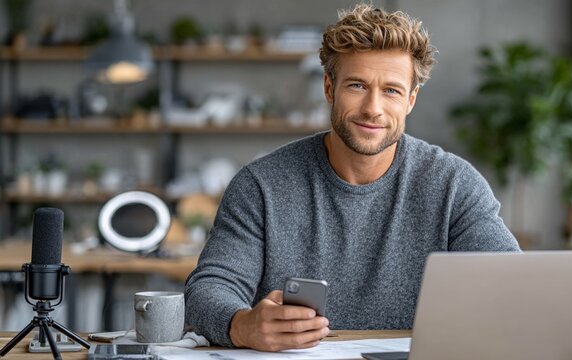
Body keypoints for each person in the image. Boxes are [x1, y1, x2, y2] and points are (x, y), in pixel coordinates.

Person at [185, 4, 520, 352]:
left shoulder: (454, 185)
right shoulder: (261, 186)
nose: (372, 108)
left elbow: (512, 287)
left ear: (411, 99)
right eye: (357, 85)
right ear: (329, 88)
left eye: (391, 90)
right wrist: (241, 326)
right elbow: (209, 289)